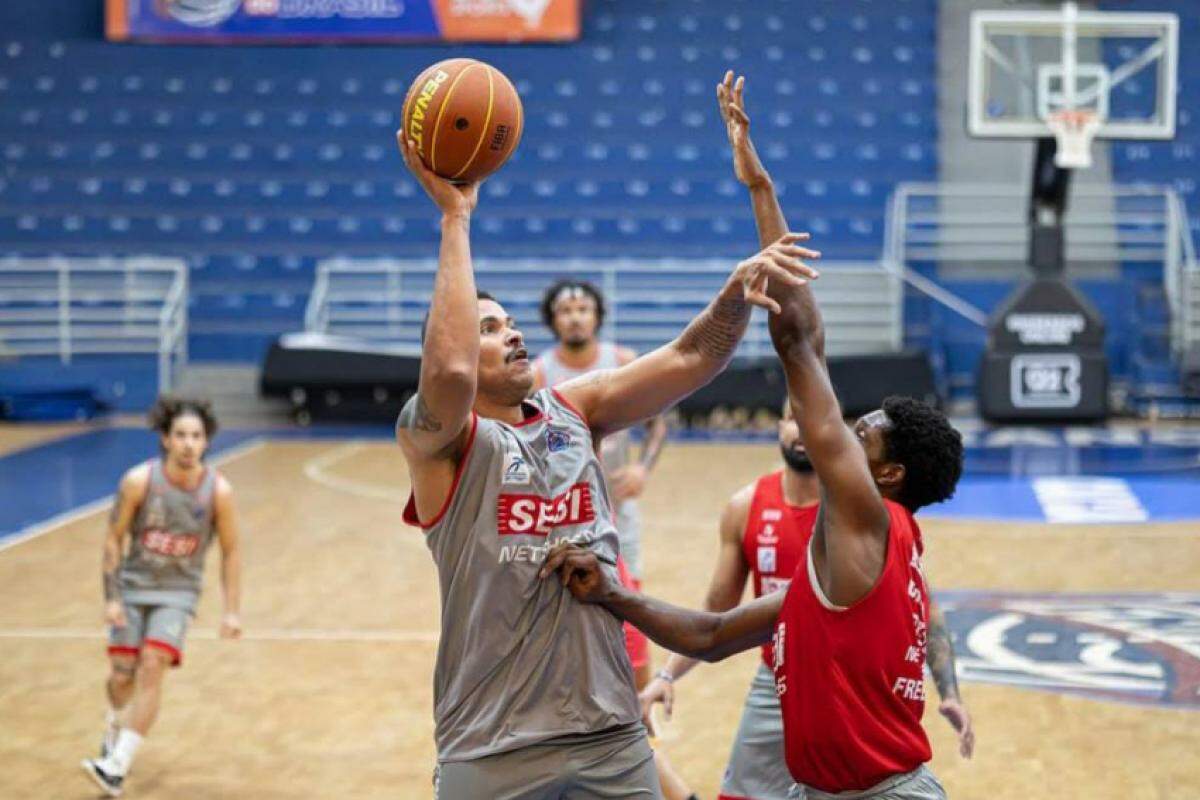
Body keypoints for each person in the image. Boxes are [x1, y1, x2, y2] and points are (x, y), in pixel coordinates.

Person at [540, 71, 966, 800]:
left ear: (889, 475)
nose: (843, 426)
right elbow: (710, 634)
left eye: (866, 431)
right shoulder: (847, 565)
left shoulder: (864, 519)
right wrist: (612, 595)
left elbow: (799, 340)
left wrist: (760, 194)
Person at [393, 125, 819, 799]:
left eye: (508, 322)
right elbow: (445, 368)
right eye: (489, 328)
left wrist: (737, 291)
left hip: (609, 734)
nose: (513, 333)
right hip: (491, 743)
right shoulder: (439, 443)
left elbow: (691, 358)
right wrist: (456, 218)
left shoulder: (575, 408)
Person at [638, 406, 974, 800]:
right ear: (779, 427)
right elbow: (716, 618)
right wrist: (666, 676)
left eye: (807, 420)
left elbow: (924, 607)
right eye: (789, 419)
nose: (800, 430)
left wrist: (949, 692)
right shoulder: (747, 506)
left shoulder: (862, 516)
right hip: (778, 678)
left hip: (848, 691)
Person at [82, 396, 243, 797]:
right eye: (181, 435)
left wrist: (232, 611)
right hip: (133, 587)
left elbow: (231, 551)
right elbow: (113, 540)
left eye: (197, 436)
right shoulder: (139, 481)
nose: (189, 443)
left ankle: (117, 765)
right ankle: (114, 724)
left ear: (207, 442)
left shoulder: (218, 491)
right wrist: (112, 597)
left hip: (178, 593)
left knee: (153, 663)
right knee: (122, 676)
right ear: (166, 440)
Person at [532, 279, 669, 687]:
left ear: (597, 316)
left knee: (631, 601)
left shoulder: (622, 360)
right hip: (567, 514)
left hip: (617, 510)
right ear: (554, 320)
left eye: (582, 309)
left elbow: (660, 420)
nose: (575, 317)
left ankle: (638, 700)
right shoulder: (540, 372)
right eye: (566, 311)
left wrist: (642, 466)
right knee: (570, 605)